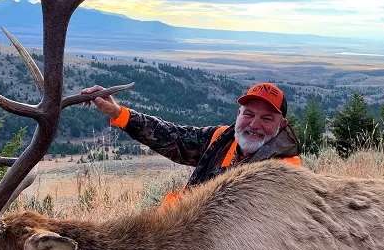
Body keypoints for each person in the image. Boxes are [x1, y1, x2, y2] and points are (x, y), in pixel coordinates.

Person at [81, 82, 302, 204]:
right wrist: (118, 112)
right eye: (249, 114)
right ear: (238, 113)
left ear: (281, 126)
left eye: (266, 119)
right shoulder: (221, 138)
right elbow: (171, 137)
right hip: (182, 232)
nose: (254, 124)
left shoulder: (285, 171)